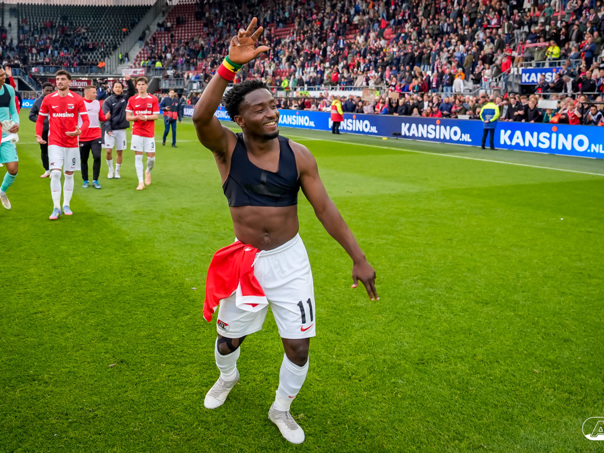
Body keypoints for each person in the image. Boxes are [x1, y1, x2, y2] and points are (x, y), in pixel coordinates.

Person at [192, 18, 378, 445]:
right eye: (259, 109)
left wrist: (359, 257)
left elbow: (325, 209)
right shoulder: (227, 148)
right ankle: (228, 377)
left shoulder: (299, 155)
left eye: (273, 105)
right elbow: (201, 116)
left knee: (299, 346)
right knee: (228, 340)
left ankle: (281, 408)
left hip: (290, 261)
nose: (271, 113)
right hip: (245, 263)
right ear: (239, 119)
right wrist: (229, 66)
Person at [36, 70, 90, 220]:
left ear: (69, 82)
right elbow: (40, 120)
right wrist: (38, 134)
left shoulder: (77, 99)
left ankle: (66, 204)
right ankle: (56, 207)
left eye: (62, 79)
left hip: (72, 143)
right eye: (57, 79)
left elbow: (86, 121)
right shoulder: (48, 99)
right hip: (55, 141)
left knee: (69, 174)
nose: (59, 81)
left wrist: (80, 131)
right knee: (55, 173)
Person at [125, 77, 159, 190]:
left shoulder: (153, 99)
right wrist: (136, 118)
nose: (141, 86)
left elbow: (156, 116)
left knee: (151, 158)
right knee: (138, 156)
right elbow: (128, 117)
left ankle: (147, 171)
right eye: (139, 84)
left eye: (143, 84)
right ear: (136, 86)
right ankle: (140, 182)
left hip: (149, 133)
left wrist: (145, 117)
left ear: (146, 86)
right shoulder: (132, 100)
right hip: (137, 132)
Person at [102, 75, 135, 179]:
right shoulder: (108, 101)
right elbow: (106, 116)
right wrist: (108, 129)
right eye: (116, 87)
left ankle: (117, 171)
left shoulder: (125, 98)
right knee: (108, 151)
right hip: (110, 130)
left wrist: (129, 81)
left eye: (119, 87)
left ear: (122, 89)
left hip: (121, 130)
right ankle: (110, 169)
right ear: (113, 88)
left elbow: (132, 91)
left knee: (119, 151)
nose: (117, 88)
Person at [79, 86, 108, 189]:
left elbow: (101, 117)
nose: (96, 94)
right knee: (84, 159)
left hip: (96, 135)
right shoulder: (80, 103)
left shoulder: (97, 103)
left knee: (97, 156)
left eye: (96, 92)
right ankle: (85, 180)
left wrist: (106, 117)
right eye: (94, 92)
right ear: (87, 93)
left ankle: (95, 180)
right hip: (83, 135)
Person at [0, 67, 20, 210]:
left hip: (6, 135)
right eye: (1, 76)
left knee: (13, 170)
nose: (4, 77)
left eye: (4, 75)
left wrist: (16, 123)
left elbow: (13, 111)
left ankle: (2, 192)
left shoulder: (9, 89)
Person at [29, 82, 54, 178]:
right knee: (44, 151)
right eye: (47, 90)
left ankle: (54, 170)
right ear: (42, 90)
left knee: (54, 151)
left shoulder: (56, 100)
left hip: (55, 131)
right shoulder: (38, 102)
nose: (49, 92)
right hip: (43, 131)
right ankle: (47, 170)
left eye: (51, 91)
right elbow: (31, 115)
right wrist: (42, 120)